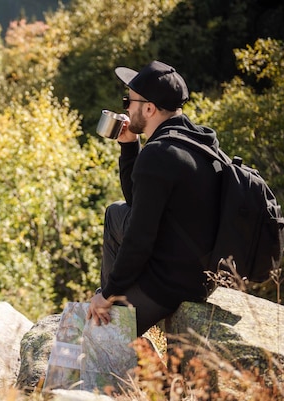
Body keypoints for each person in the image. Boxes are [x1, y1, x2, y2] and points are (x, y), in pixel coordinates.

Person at [86, 60, 222, 335]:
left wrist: (108, 294)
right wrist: (129, 147)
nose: (126, 108)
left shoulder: (158, 155)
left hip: (171, 281)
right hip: (199, 272)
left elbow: (140, 239)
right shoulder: (197, 140)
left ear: (148, 108)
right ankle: (114, 301)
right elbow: (138, 204)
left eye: (129, 101)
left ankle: (109, 314)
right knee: (116, 212)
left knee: (99, 335)